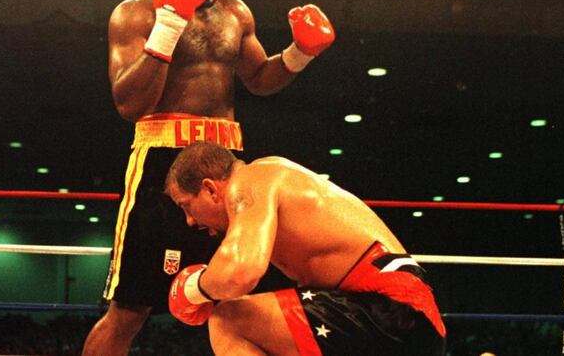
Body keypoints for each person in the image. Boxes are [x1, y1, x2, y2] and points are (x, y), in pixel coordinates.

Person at [81, 0, 335, 355]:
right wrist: (169, 23)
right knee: (130, 309)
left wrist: (299, 54)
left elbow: (259, 78)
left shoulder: (237, 13)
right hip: (162, 159)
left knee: (253, 295)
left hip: (226, 162)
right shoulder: (135, 12)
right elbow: (129, 103)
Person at [165, 142, 446, 355]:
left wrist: (192, 289)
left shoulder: (249, 180)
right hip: (390, 315)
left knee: (229, 319)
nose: (190, 220)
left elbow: (240, 271)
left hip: (392, 310)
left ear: (210, 189)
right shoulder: (272, 181)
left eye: (186, 205)